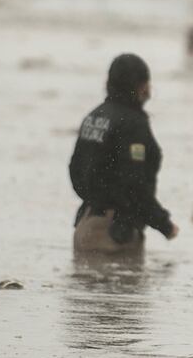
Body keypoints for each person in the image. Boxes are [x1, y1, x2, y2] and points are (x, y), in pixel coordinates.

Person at [69, 53, 179, 253]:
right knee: (122, 282)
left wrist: (95, 201)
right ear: (141, 86)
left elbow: (75, 170)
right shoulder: (133, 124)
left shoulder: (94, 117)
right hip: (113, 237)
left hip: (84, 228)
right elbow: (135, 185)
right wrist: (164, 224)